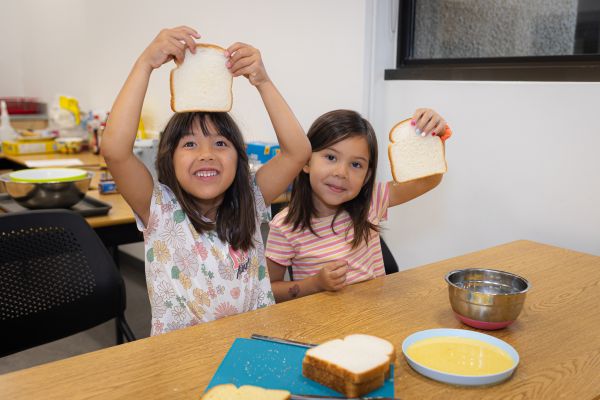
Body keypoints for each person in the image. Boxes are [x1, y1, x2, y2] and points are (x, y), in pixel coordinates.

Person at [102, 26, 311, 334]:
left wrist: (263, 82)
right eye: (189, 144)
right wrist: (145, 63)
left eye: (220, 143)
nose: (206, 154)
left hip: (252, 345)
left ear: (239, 159)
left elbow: (298, 151)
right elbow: (115, 151)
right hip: (184, 361)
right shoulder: (159, 209)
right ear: (168, 159)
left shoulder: (250, 200)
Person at [265, 108, 452, 302]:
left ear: (366, 177)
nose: (341, 172)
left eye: (356, 165)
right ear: (306, 161)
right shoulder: (285, 226)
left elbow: (429, 180)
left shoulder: (372, 200)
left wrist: (434, 137)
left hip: (373, 316)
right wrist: (314, 284)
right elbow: (268, 290)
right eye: (331, 157)